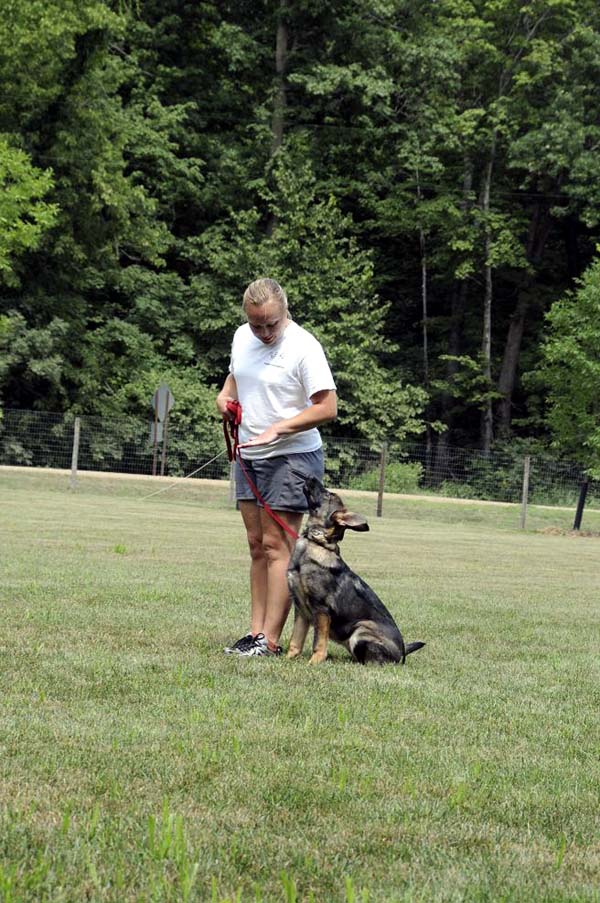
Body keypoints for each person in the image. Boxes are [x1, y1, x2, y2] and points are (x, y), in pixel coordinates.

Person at [216, 278, 337, 657]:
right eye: (257, 325)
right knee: (256, 546)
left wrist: (278, 429)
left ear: (285, 312)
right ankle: (254, 634)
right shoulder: (241, 338)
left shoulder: (304, 347)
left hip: (292, 456)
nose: (265, 332)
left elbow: (327, 407)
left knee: (276, 546)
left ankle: (268, 641)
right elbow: (237, 378)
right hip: (250, 454)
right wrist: (224, 398)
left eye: (272, 323)